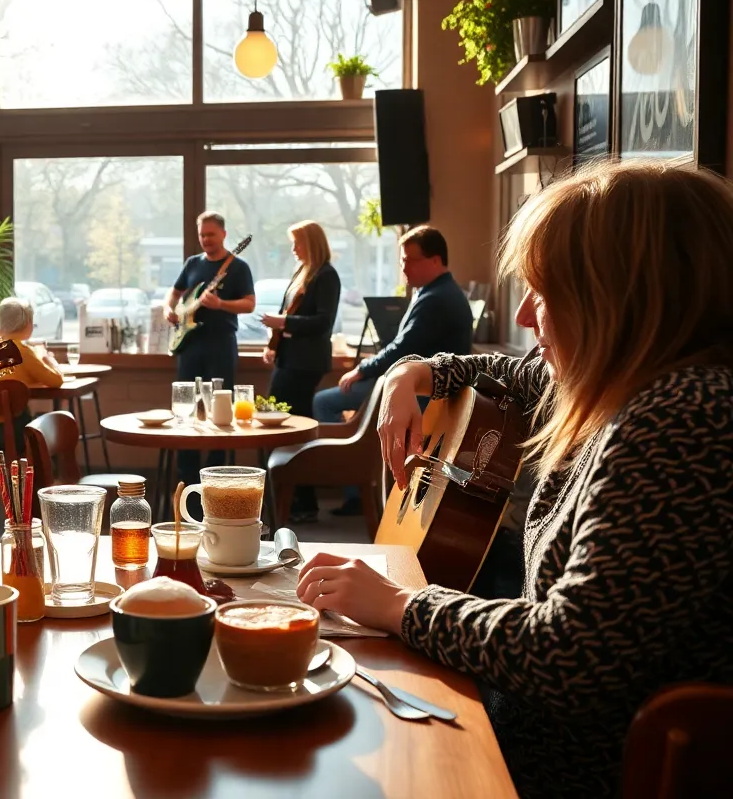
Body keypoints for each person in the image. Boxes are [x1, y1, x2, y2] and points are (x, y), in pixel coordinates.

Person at [295, 159, 733, 799]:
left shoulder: (684, 418)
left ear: (621, 296)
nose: (526, 316)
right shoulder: (609, 385)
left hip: (567, 772)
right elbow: (504, 375)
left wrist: (395, 604)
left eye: (544, 291)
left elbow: (572, 656)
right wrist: (411, 374)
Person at [312, 224, 472, 516]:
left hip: (425, 394)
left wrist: (362, 369)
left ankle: (355, 491)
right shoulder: (435, 292)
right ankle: (359, 484)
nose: (403, 267)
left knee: (324, 401)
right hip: (421, 386)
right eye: (401, 260)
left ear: (435, 260)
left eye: (410, 260)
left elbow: (402, 350)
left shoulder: (436, 299)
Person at [164, 211, 255, 494]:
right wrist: (169, 309)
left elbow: (250, 304)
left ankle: (219, 477)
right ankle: (187, 478)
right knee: (187, 407)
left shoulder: (238, 267)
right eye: (202, 235)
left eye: (211, 235)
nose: (205, 240)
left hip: (221, 342)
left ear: (224, 235)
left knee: (220, 408)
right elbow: (175, 292)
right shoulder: (192, 263)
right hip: (190, 344)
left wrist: (221, 305)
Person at [260, 220, 341, 519]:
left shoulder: (326, 276)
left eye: (297, 242)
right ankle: (291, 497)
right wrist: (275, 344)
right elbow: (290, 315)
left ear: (312, 243)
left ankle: (300, 500)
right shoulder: (302, 272)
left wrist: (282, 323)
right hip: (290, 359)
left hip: (305, 364)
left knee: (291, 427)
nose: (293, 249)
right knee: (282, 425)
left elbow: (323, 322)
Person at [0, 296, 63, 452]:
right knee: (52, 422)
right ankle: (45, 475)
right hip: (15, 436)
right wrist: (49, 360)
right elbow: (56, 381)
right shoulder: (23, 352)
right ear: (28, 324)